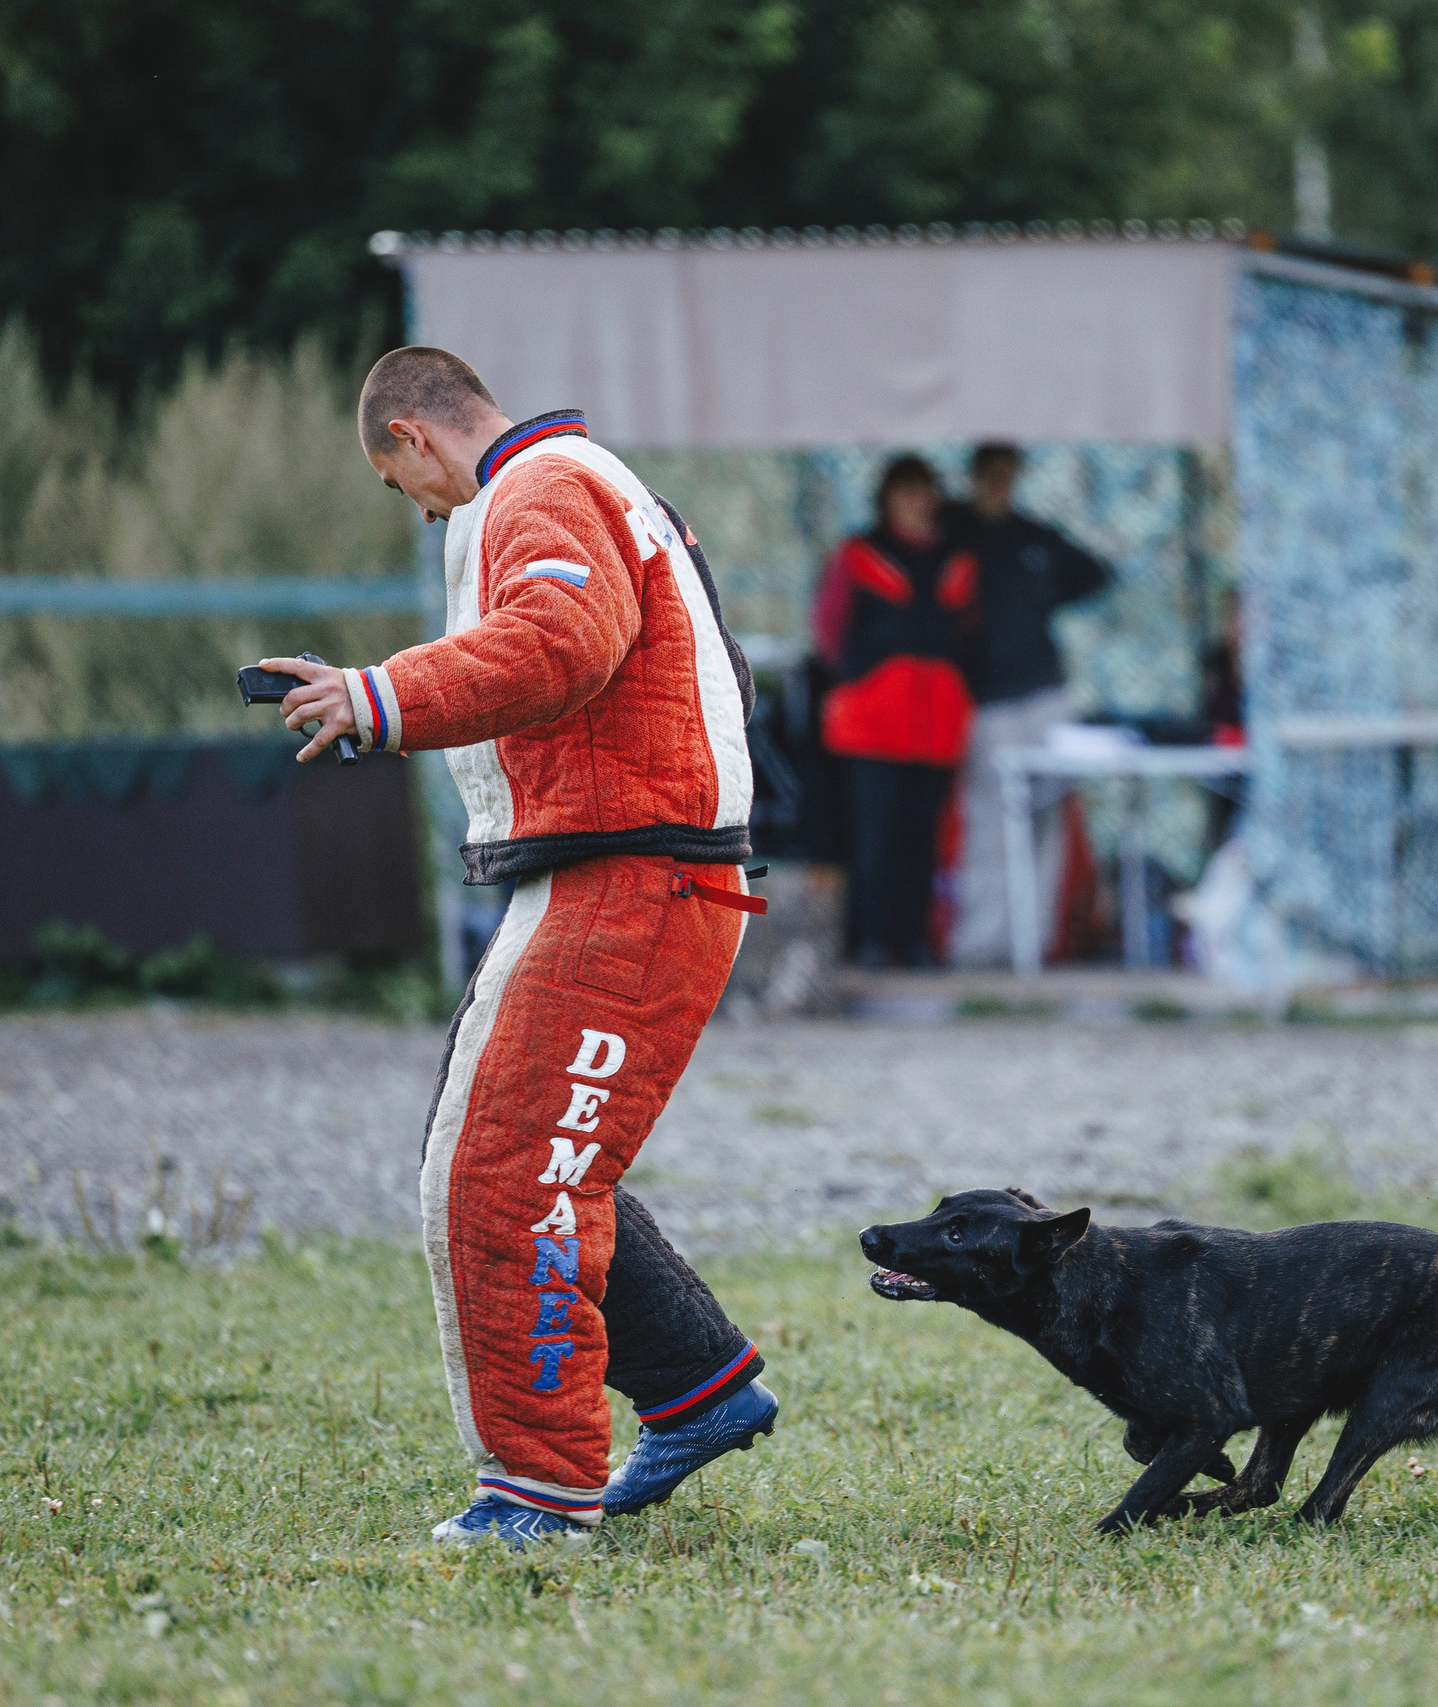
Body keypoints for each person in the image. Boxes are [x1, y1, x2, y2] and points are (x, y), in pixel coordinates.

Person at [263, 347, 777, 1550]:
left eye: (404, 488)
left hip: (631, 874)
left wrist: (378, 696)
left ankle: (536, 1495)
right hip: (638, 865)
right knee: (527, 1146)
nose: (422, 510)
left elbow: (560, 641)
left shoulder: (536, 489)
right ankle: (696, 1386)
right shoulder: (589, 479)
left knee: (499, 1177)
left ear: (410, 439)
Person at [945, 442, 1113, 969]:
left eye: (1008, 475)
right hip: (987, 700)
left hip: (1044, 694)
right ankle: (983, 944)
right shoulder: (955, 534)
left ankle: (1038, 942)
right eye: (990, 475)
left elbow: (1095, 571)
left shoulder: (1030, 535)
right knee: (990, 820)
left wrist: (1041, 596)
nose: (999, 485)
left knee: (1047, 821)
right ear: (973, 477)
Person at [811, 454, 978, 965]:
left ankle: (915, 940)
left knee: (924, 836)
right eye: (905, 492)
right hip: (871, 723)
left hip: (938, 723)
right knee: (873, 834)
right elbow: (828, 633)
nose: (916, 502)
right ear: (886, 499)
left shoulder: (958, 561)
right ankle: (868, 941)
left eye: (924, 491)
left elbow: (972, 636)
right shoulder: (858, 555)